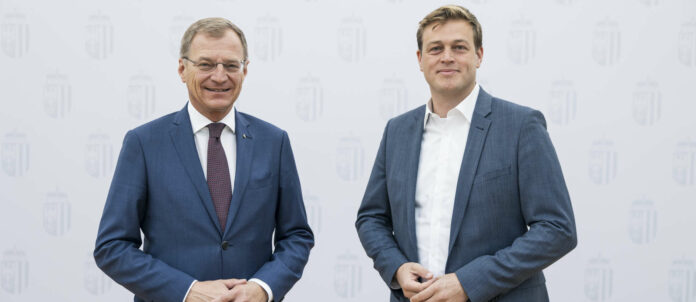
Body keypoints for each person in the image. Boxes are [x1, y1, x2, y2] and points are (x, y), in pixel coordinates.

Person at [355, 5, 577, 302]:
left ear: (479, 56)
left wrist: (469, 282)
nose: (447, 56)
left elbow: (557, 229)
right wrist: (396, 267)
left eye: (459, 47)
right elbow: (371, 217)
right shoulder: (397, 131)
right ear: (420, 60)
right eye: (436, 48)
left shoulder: (521, 126)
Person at [94, 18, 314, 302]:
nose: (220, 76)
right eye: (206, 64)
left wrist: (263, 288)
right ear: (182, 69)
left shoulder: (274, 142)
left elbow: (296, 235)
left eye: (231, 65)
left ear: (245, 70)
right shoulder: (144, 143)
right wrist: (187, 291)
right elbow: (112, 246)